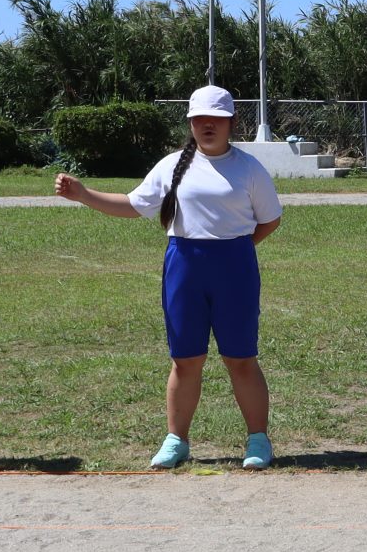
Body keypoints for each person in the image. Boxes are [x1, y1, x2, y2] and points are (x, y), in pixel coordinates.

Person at [54, 85, 283, 470]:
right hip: (184, 267)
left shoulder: (249, 169)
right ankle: (177, 440)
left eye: (216, 119)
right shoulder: (172, 165)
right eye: (199, 119)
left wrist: (235, 251)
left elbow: (270, 220)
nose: (208, 125)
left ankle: (258, 440)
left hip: (235, 269)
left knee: (241, 358)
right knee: (185, 359)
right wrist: (83, 194)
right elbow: (132, 205)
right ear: (190, 123)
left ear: (232, 122)